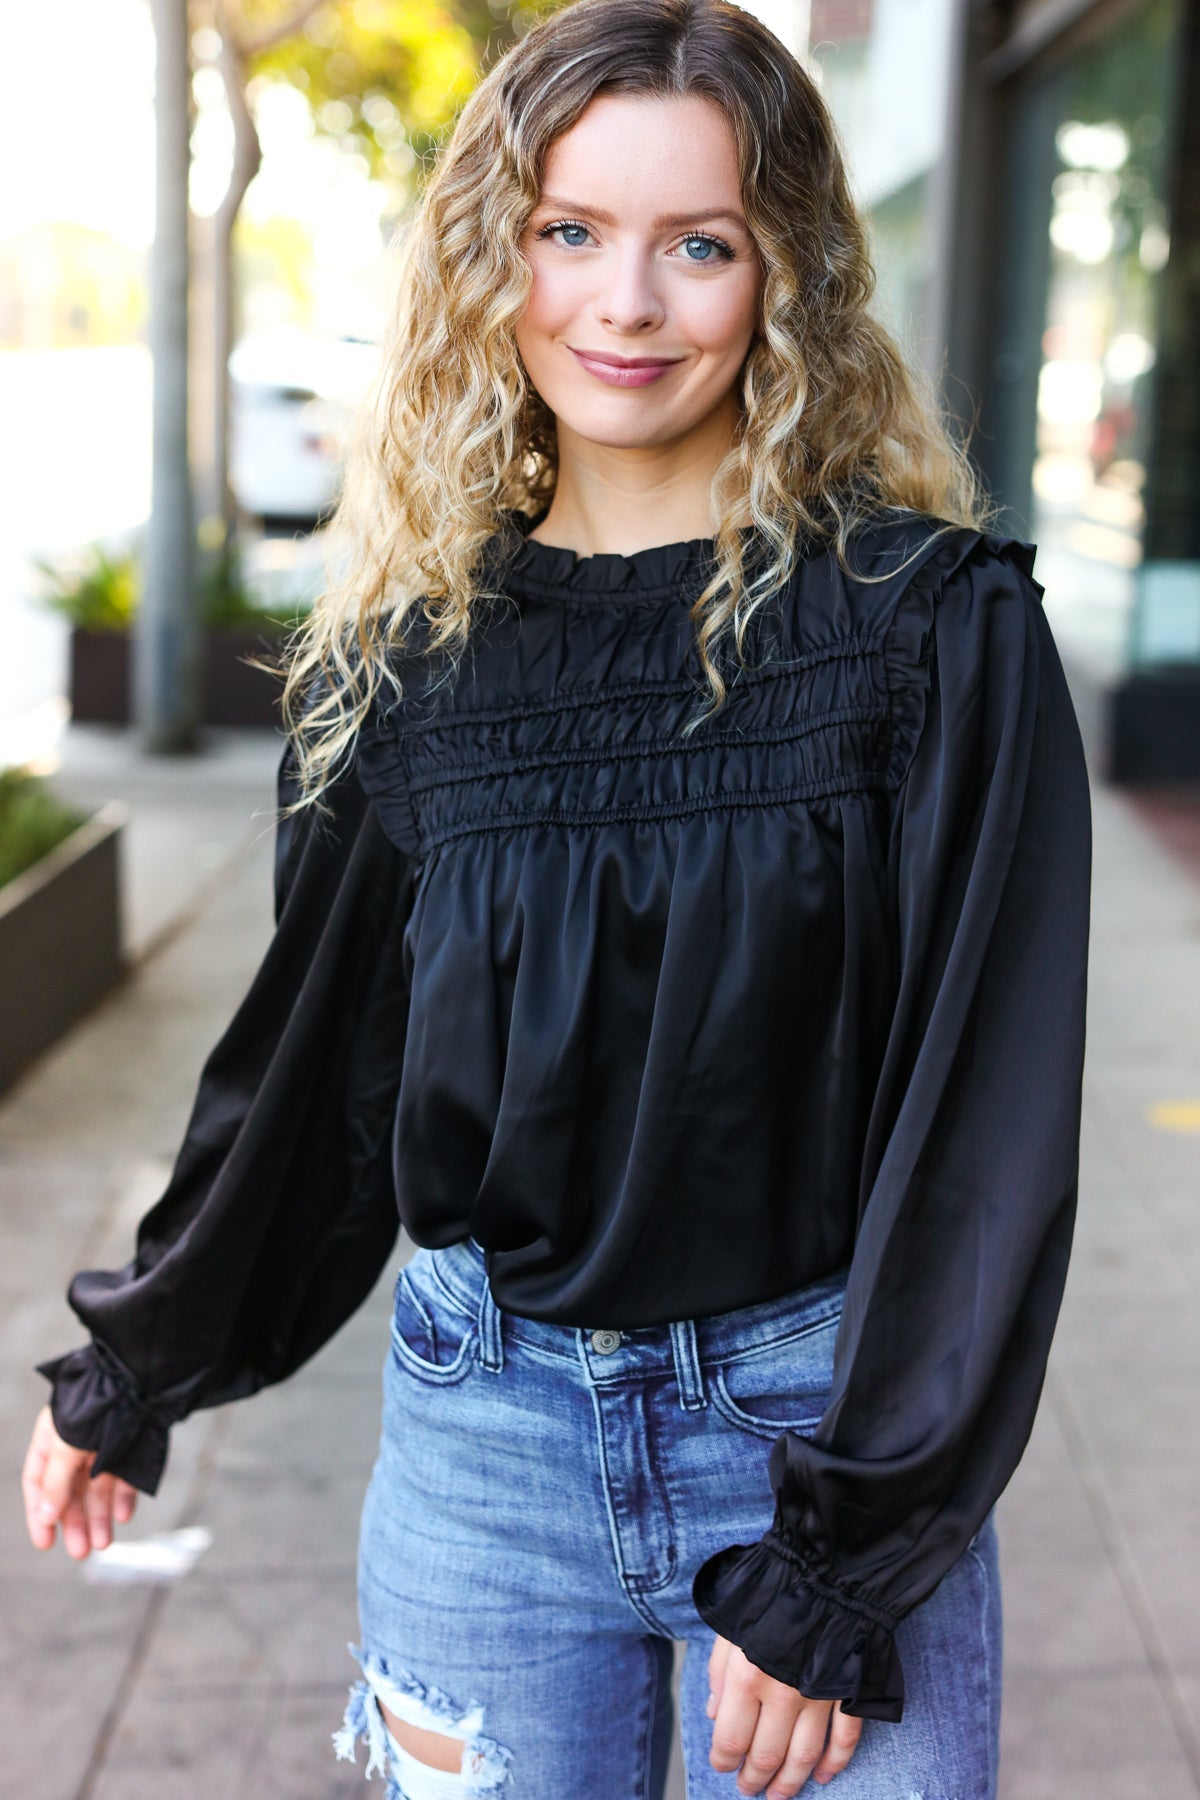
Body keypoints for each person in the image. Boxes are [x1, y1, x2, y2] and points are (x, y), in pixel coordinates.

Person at [21, 2, 1093, 1795]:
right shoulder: (407, 665)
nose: (627, 303)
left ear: (788, 276)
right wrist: (143, 1370)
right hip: (484, 1451)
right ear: (490, 261)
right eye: (569, 232)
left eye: (700, 244)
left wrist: (846, 1558)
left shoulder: (930, 630)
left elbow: (982, 1127)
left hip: (813, 1436)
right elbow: (316, 1077)